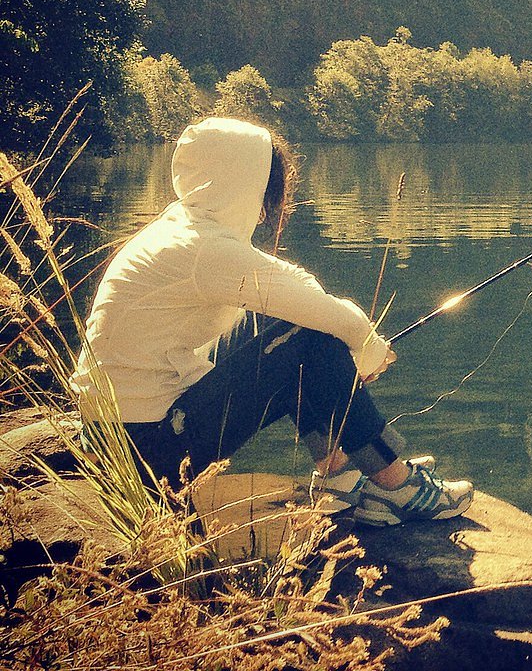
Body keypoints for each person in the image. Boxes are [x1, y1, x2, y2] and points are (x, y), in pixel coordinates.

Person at [71, 116, 473, 526]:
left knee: (292, 322)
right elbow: (337, 320)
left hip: (121, 434)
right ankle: (395, 485)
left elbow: (290, 285)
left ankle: (338, 471)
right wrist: (366, 347)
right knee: (310, 337)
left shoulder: (182, 229)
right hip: (148, 449)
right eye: (266, 184)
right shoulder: (205, 249)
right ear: (243, 183)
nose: (268, 205)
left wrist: (338, 325)